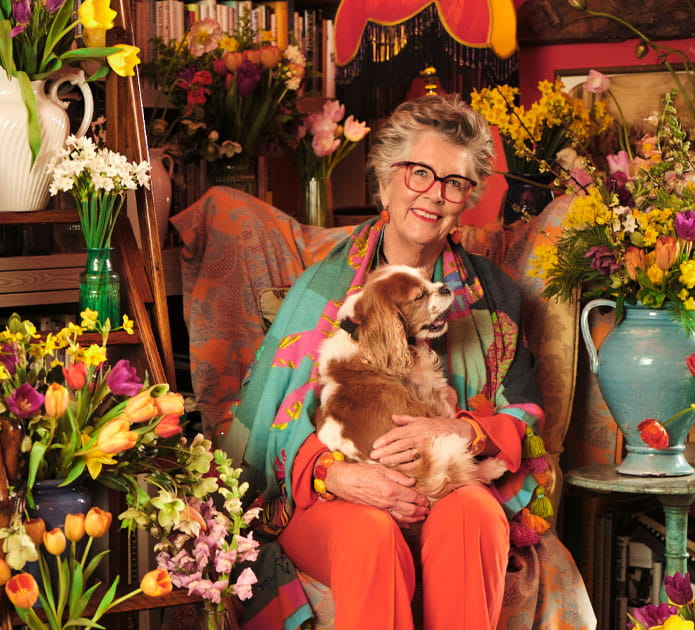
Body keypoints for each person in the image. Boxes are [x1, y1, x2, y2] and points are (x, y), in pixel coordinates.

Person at [219, 94, 592, 630]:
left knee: (476, 516)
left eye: (454, 183)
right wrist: (334, 474)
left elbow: (525, 418)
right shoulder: (318, 293)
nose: (434, 195)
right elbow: (273, 424)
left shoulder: (494, 295)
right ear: (386, 180)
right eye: (420, 173)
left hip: (447, 481)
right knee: (369, 534)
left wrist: (453, 430)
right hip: (333, 494)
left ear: (468, 197)